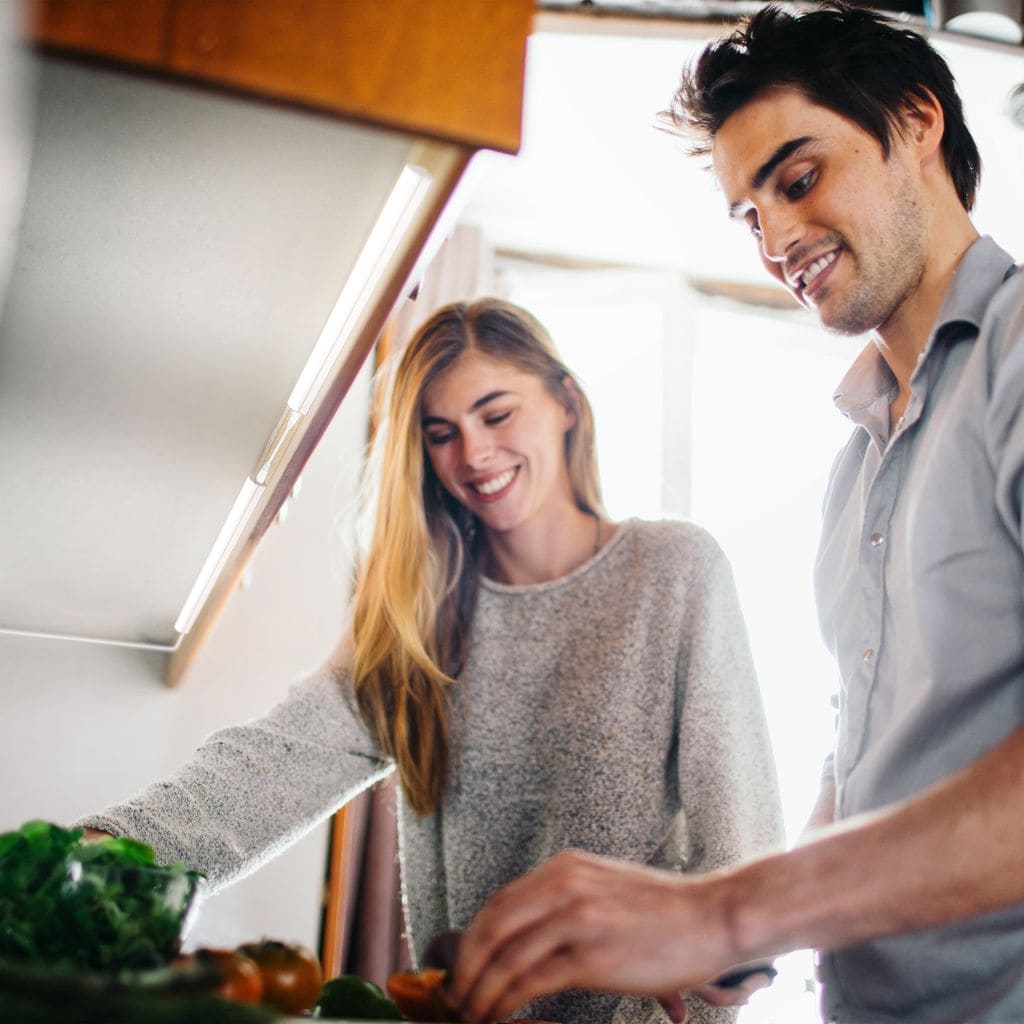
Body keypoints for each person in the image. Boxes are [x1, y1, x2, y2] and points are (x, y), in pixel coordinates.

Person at [449, 6, 1024, 1024]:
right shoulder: (859, 461)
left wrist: (725, 909)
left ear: (918, 121)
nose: (778, 240)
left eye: (798, 180)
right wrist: (753, 938)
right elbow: (865, 767)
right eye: (750, 216)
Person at [78, 297, 783, 1024]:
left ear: (566, 403)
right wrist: (90, 857)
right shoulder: (421, 616)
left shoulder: (675, 571)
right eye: (440, 433)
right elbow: (270, 767)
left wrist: (719, 950)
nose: (473, 455)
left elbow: (743, 853)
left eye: (497, 413)